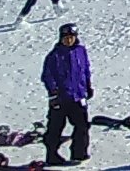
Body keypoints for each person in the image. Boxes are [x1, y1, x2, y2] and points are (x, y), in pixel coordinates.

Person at [40, 23, 92, 166]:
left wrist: (88, 87)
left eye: (72, 37)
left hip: (78, 96)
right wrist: (54, 93)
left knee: (82, 126)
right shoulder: (54, 55)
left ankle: (79, 153)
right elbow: (47, 76)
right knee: (55, 128)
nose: (69, 40)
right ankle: (52, 155)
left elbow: (85, 70)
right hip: (61, 99)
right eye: (66, 38)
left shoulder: (81, 51)